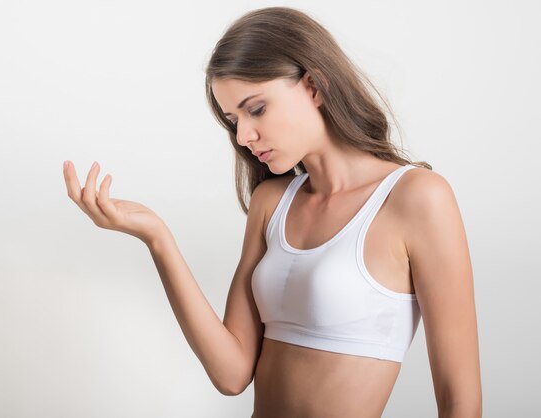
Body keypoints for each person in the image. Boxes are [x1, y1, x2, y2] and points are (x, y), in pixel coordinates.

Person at [62, 6, 482, 418]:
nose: (244, 135)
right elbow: (231, 374)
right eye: (233, 119)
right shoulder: (272, 202)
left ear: (314, 86)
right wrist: (156, 237)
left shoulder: (417, 198)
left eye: (256, 109)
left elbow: (460, 399)